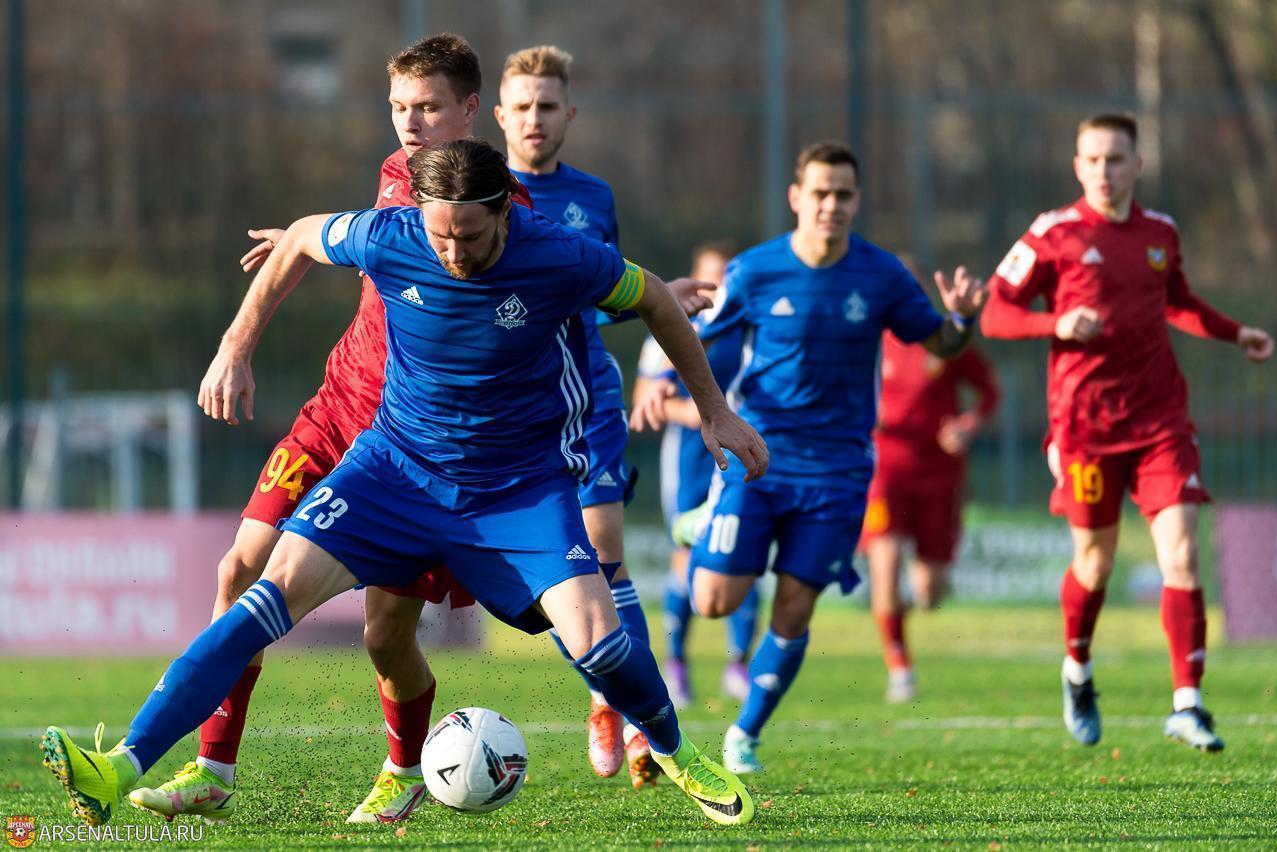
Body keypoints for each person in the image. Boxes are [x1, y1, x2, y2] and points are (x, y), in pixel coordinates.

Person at [41, 139, 767, 829]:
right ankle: (121, 766)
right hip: (392, 473)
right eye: (440, 236)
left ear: (505, 213)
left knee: (599, 641)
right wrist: (235, 344)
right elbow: (301, 236)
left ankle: (678, 754)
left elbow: (655, 299)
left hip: (515, 489)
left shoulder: (561, 253)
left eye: (470, 237)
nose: (453, 252)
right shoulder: (388, 234)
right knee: (264, 593)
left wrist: (714, 411)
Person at [127, 35, 519, 826]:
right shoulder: (395, 172)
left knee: (385, 637)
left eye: (429, 107)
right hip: (337, 411)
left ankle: (403, 770)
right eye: (399, 107)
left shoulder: (501, 213)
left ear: (471, 110)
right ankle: (212, 769)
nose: (410, 122)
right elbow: (351, 240)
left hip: (411, 450)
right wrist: (237, 346)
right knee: (240, 569)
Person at [633, 141, 986, 774]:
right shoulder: (754, 270)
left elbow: (940, 341)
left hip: (839, 472)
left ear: (857, 200)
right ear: (797, 197)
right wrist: (662, 382)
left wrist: (960, 322)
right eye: (820, 193)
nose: (831, 205)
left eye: (843, 194)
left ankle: (745, 734)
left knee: (795, 608)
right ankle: (708, 520)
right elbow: (702, 340)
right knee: (712, 601)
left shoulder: (882, 275)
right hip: (760, 458)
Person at [981, 112, 1273, 751]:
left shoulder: (1160, 232)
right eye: (1092, 160)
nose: (1104, 171)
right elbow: (996, 314)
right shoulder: (1053, 233)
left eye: (1115, 159)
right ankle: (1077, 668)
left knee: (1183, 553)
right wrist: (1055, 324)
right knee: (1096, 562)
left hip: (1160, 419)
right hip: (1084, 427)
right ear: (1076, 166)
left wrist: (1235, 333)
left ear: (1138, 165)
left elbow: (1178, 302)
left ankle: (1188, 704)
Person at [492, 44, 654, 786]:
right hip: (505, 410)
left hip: (587, 394)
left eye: (548, 106)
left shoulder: (594, 196)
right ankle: (603, 685)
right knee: (557, 573)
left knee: (606, 554)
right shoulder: (475, 192)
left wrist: (657, 294)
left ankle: (635, 716)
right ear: (499, 115)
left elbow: (603, 293)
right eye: (523, 106)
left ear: (570, 114)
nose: (535, 118)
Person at [632, 242, 762, 708]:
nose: (718, 286)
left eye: (727, 276)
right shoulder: (666, 327)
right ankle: (677, 664)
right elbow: (645, 400)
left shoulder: (748, 328)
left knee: (743, 551)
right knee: (685, 557)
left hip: (739, 451)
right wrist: (696, 413)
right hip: (689, 459)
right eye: (711, 276)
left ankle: (738, 664)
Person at [863, 308, 1000, 703]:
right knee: (885, 566)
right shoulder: (867, 341)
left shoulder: (945, 340)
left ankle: (906, 603)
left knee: (929, 593)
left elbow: (989, 392)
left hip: (940, 474)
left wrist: (968, 425)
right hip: (885, 471)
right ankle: (900, 666)